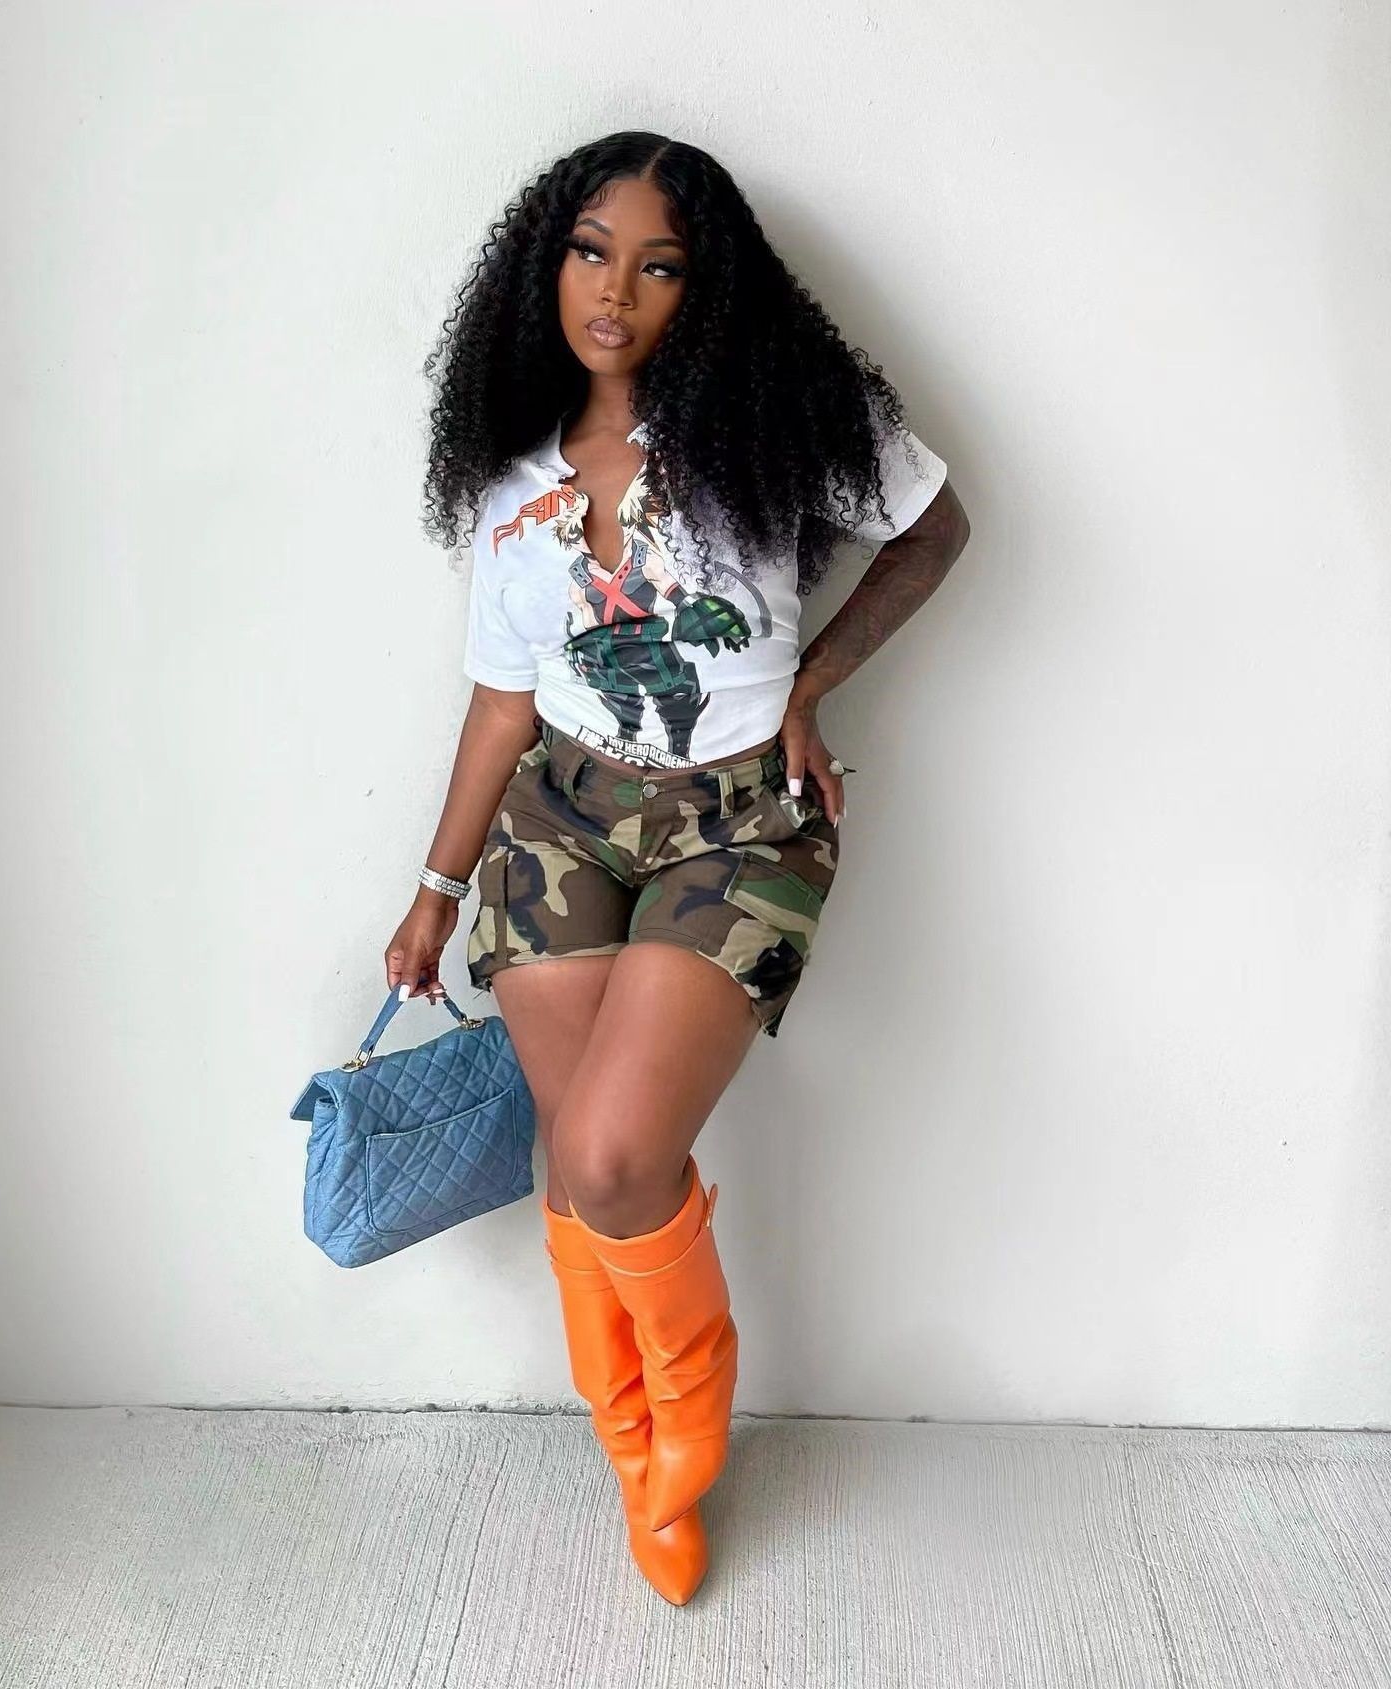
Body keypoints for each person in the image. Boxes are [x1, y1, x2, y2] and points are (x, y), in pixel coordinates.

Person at [386, 132, 971, 1604]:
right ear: (548, 263)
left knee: (612, 1154)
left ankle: (685, 1439)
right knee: (578, 1155)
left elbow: (936, 530)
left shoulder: (781, 417)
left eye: (660, 267)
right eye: (593, 252)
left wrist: (814, 683)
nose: (616, 291)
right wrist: (435, 892)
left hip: (744, 823)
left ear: (702, 291)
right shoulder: (511, 473)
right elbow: (502, 704)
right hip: (558, 819)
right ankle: (630, 1439)